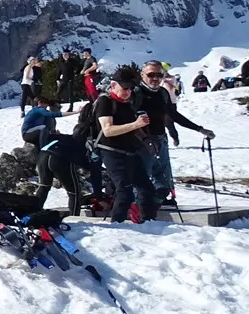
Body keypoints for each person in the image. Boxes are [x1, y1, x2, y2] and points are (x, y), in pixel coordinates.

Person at [136, 60, 215, 201]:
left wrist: (200, 129)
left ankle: (159, 203)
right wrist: (145, 139)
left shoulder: (162, 93)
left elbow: (173, 115)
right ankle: (137, 207)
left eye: (159, 75)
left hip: (161, 139)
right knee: (142, 176)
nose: (155, 78)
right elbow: (129, 119)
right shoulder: (136, 93)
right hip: (141, 141)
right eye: (151, 74)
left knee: (163, 177)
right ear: (142, 75)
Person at [92, 65, 161, 224]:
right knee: (125, 191)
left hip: (130, 151)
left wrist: (146, 140)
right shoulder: (105, 102)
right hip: (111, 151)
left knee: (147, 188)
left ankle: (148, 223)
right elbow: (108, 130)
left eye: (130, 89)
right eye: (125, 88)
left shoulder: (127, 103)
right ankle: (118, 226)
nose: (128, 92)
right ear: (113, 85)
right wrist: (136, 125)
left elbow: (130, 127)